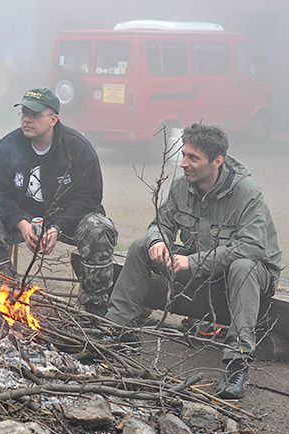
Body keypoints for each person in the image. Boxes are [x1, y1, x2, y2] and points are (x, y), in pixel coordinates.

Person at [106, 123, 282, 399]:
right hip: (202, 265)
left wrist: (193, 262)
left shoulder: (246, 193)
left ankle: (237, 366)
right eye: (183, 155)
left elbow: (251, 247)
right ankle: (115, 332)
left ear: (217, 161)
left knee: (243, 266)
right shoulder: (182, 187)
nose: (183, 163)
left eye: (192, 158)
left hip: (252, 274)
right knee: (141, 246)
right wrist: (158, 241)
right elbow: (159, 223)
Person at [0, 88, 118, 316]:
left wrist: (57, 226)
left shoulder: (76, 147)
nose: (27, 119)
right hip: (23, 216)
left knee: (99, 229)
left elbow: (90, 197)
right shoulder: (9, 145)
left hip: (68, 220)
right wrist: (21, 223)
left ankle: (93, 310)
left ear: (53, 119)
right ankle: (8, 298)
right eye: (24, 113)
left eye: (35, 115)